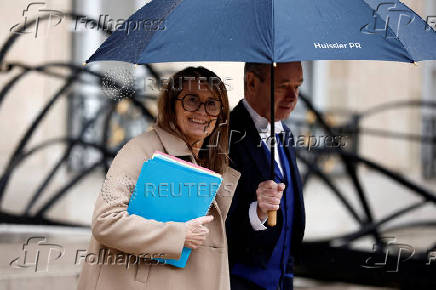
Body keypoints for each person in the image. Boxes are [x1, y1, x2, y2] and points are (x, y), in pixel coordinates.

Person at [77, 66, 240, 290]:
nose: (202, 111)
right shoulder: (140, 150)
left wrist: (259, 209)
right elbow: (106, 220)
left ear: (220, 114)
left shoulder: (213, 163)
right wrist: (178, 234)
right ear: (172, 106)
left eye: (212, 103)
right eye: (192, 100)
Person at [226, 62, 306, 290]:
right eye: (283, 87)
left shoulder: (285, 133)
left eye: (297, 86)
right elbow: (214, 220)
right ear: (251, 82)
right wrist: (257, 212)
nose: (293, 97)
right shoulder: (224, 135)